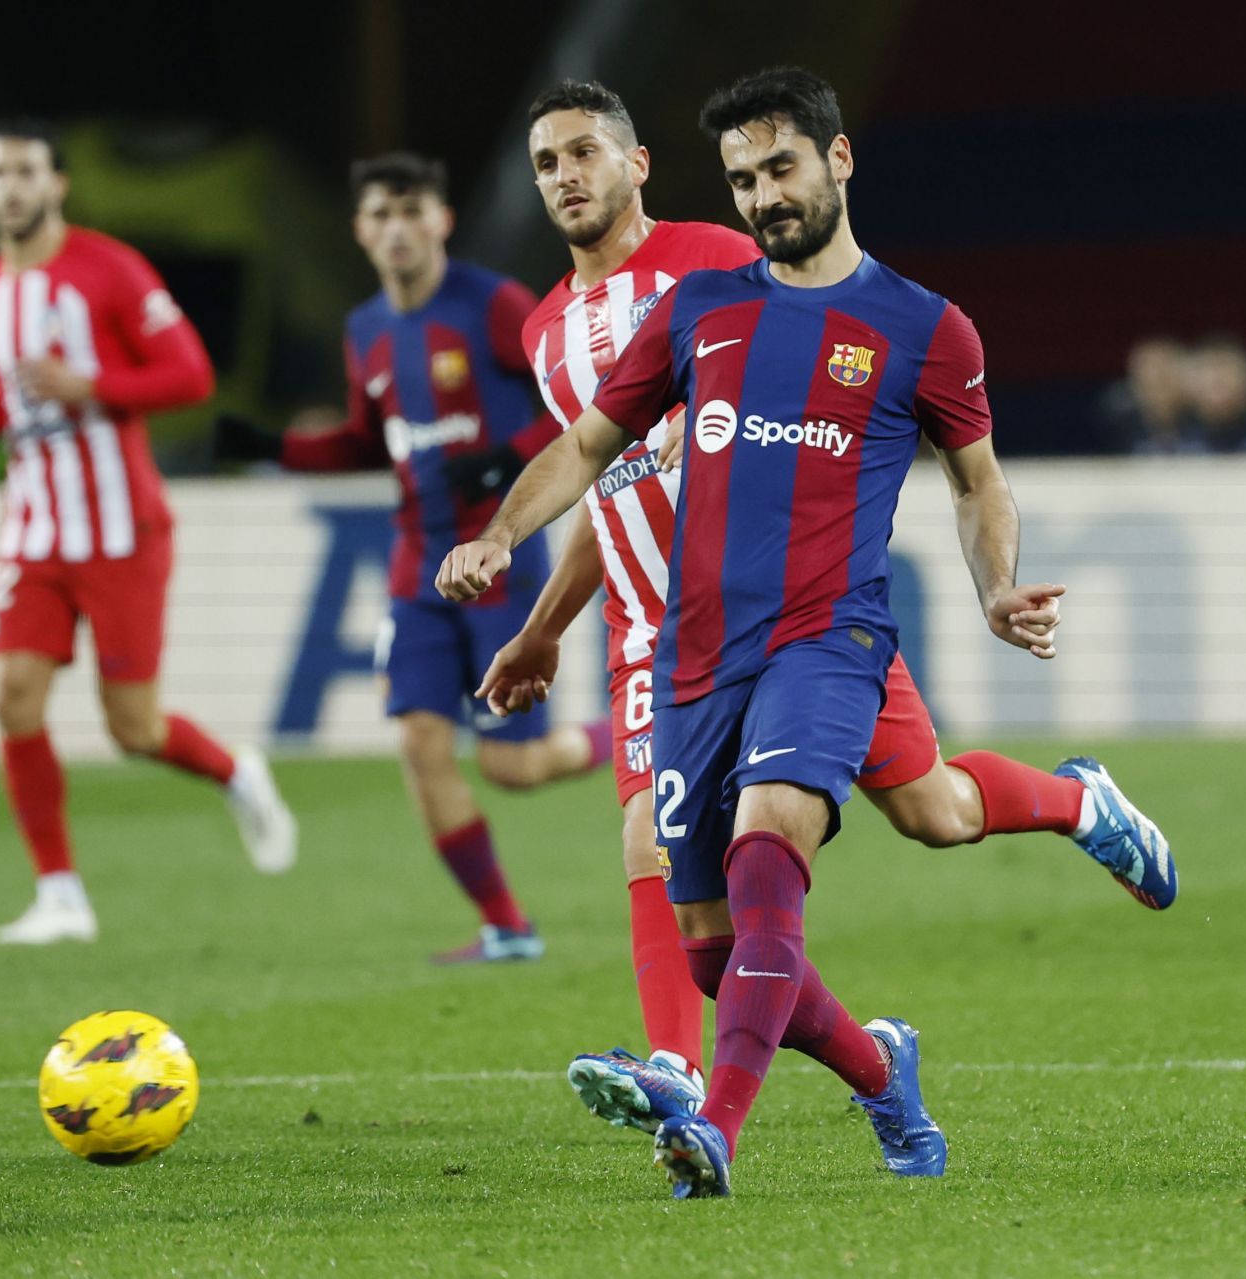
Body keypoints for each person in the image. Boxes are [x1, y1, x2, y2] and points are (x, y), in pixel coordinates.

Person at [440, 69, 1176, 1199]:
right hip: (685, 649)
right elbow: (597, 457)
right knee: (869, 849)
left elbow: (977, 481)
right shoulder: (687, 314)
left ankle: (705, 1115)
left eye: (781, 167)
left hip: (825, 635)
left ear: (837, 160)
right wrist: (512, 561)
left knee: (769, 845)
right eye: (744, 178)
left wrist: (996, 589)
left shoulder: (915, 324)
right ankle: (888, 1060)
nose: (764, 194)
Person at [213, 153, 611, 964]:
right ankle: (506, 924)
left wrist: (504, 464)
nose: (395, 228)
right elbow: (368, 440)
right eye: (379, 215)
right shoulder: (367, 330)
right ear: (360, 230)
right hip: (416, 571)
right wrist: (275, 446)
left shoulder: (494, 305)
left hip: (498, 563)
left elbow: (574, 412)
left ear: (440, 220)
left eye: (410, 210)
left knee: (512, 762)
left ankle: (632, 736)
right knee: (419, 746)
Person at [0, 122, 297, 946]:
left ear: (58, 184)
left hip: (121, 530)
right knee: (11, 695)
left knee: (134, 727)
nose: (10, 187)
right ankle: (60, 894)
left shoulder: (107, 268)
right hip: (35, 532)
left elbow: (190, 373)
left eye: (25, 171)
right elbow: (19, 407)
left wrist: (90, 384)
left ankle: (237, 772)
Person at [1092, 336, 1187, 452]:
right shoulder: (1114, 423)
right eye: (1149, 369)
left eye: (1165, 369)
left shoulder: (1201, 419)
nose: (1157, 377)